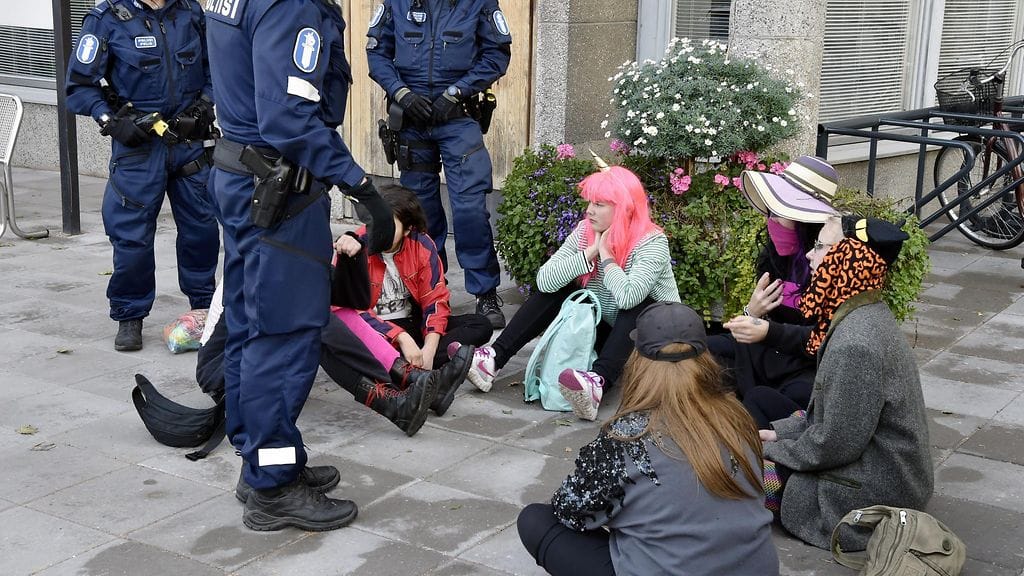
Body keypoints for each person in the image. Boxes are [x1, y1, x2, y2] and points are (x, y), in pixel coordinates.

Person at [204, 0, 395, 532]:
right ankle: (272, 486)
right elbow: (287, 116)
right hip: (277, 194)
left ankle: (261, 461)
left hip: (244, 176)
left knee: (248, 328)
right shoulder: (289, 5)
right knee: (283, 336)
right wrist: (358, 183)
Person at [517, 302, 779, 576]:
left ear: (638, 360)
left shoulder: (627, 435)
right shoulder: (738, 417)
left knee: (536, 520)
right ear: (706, 356)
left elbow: (569, 509)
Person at [759, 215, 933, 551]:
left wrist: (766, 448)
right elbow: (837, 422)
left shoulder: (857, 342)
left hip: (875, 494)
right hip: (882, 471)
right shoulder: (861, 315)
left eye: (821, 246)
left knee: (738, 473)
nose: (810, 255)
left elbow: (834, 444)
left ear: (848, 261)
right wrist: (780, 433)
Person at [466, 159, 680, 421]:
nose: (589, 211)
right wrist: (589, 252)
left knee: (641, 301)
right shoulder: (585, 232)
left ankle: (597, 384)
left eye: (599, 205)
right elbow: (544, 280)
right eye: (589, 202)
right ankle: (493, 360)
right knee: (560, 282)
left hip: (655, 339)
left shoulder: (651, 242)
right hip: (609, 328)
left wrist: (608, 256)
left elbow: (627, 298)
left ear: (623, 209)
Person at [65, 0, 221, 351]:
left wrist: (203, 107)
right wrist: (110, 121)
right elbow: (79, 86)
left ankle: (204, 308)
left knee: (202, 230)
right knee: (131, 238)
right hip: (137, 148)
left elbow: (218, 70)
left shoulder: (191, 13)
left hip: (188, 142)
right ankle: (129, 316)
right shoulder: (105, 20)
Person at [366, 0, 512, 329]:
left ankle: (485, 291)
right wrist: (401, 93)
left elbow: (496, 55)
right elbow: (377, 54)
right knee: (421, 213)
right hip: (412, 121)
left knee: (470, 209)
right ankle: (432, 290)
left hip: (458, 119)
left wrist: (456, 92)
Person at [196, 281, 475, 446]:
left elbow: (345, 306)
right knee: (314, 324)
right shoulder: (254, 266)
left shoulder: (279, 260)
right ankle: (401, 390)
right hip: (222, 372)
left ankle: (407, 388)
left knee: (321, 317)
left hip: (257, 356)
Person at [710, 155, 840, 428]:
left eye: (780, 213)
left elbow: (826, 339)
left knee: (795, 395)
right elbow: (757, 319)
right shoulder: (775, 257)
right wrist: (751, 312)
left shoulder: (832, 262)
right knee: (702, 347)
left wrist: (766, 331)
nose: (772, 221)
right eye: (771, 211)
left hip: (807, 362)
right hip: (770, 349)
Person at [334, 185, 493, 370]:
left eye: (389, 226)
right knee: (355, 344)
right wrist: (400, 336)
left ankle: (411, 366)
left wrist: (429, 350)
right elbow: (350, 311)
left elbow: (435, 301)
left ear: (408, 229)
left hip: (413, 324)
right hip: (375, 330)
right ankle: (415, 367)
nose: (379, 231)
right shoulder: (354, 245)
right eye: (375, 222)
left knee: (480, 325)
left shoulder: (421, 245)